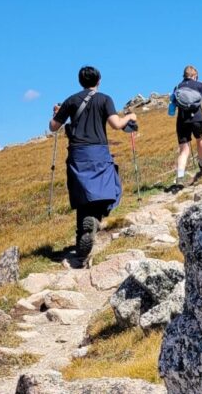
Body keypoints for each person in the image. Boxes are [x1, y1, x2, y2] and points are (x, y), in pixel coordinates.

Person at [48, 65, 137, 268]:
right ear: (99, 80)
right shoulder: (104, 99)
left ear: (80, 81)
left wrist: (56, 113)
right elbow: (116, 124)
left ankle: (82, 244)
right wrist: (130, 117)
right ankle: (95, 220)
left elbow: (53, 127)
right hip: (98, 151)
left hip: (78, 153)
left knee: (82, 196)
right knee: (108, 187)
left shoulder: (71, 100)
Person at [167, 66, 202, 187]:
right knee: (199, 139)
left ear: (184, 76)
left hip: (182, 120)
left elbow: (171, 107)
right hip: (197, 118)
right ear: (195, 75)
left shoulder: (177, 87)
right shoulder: (200, 85)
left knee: (184, 149)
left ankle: (180, 176)